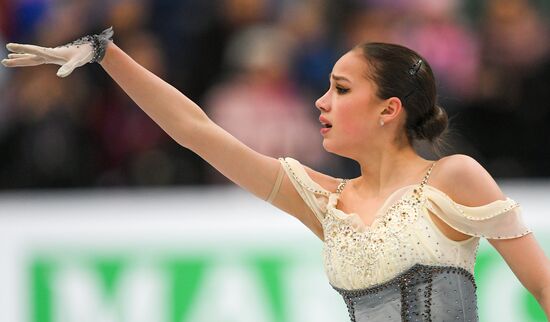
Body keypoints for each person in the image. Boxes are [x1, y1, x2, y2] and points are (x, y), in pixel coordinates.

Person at [2, 27, 549, 322]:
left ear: (389, 109)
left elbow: (543, 285)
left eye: (340, 88)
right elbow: (196, 131)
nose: (320, 101)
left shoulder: (454, 177)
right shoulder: (324, 201)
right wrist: (106, 54)